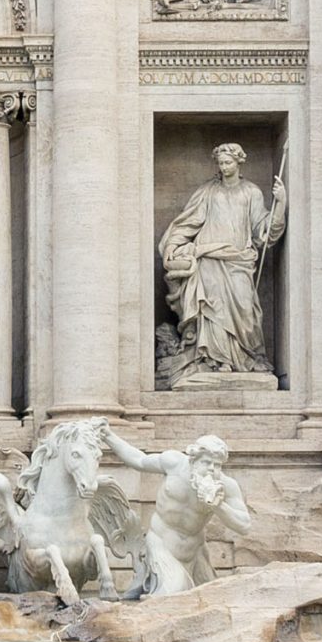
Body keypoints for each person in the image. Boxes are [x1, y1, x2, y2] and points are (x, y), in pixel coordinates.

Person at [158, 143, 286, 376]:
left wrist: (281, 204)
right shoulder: (208, 191)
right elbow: (189, 221)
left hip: (239, 260)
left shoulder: (251, 192)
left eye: (228, 162)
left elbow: (264, 232)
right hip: (209, 259)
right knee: (211, 309)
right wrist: (174, 244)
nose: (224, 167)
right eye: (221, 163)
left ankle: (246, 357)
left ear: (239, 162)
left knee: (246, 310)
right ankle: (215, 360)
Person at [103, 429, 253, 596]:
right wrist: (109, 436)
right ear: (193, 460)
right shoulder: (174, 463)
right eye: (206, 462)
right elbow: (139, 460)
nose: (212, 469)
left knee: (210, 597)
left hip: (195, 553)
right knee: (174, 595)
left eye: (217, 465)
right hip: (161, 545)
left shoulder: (226, 486)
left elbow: (244, 526)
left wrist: (219, 506)